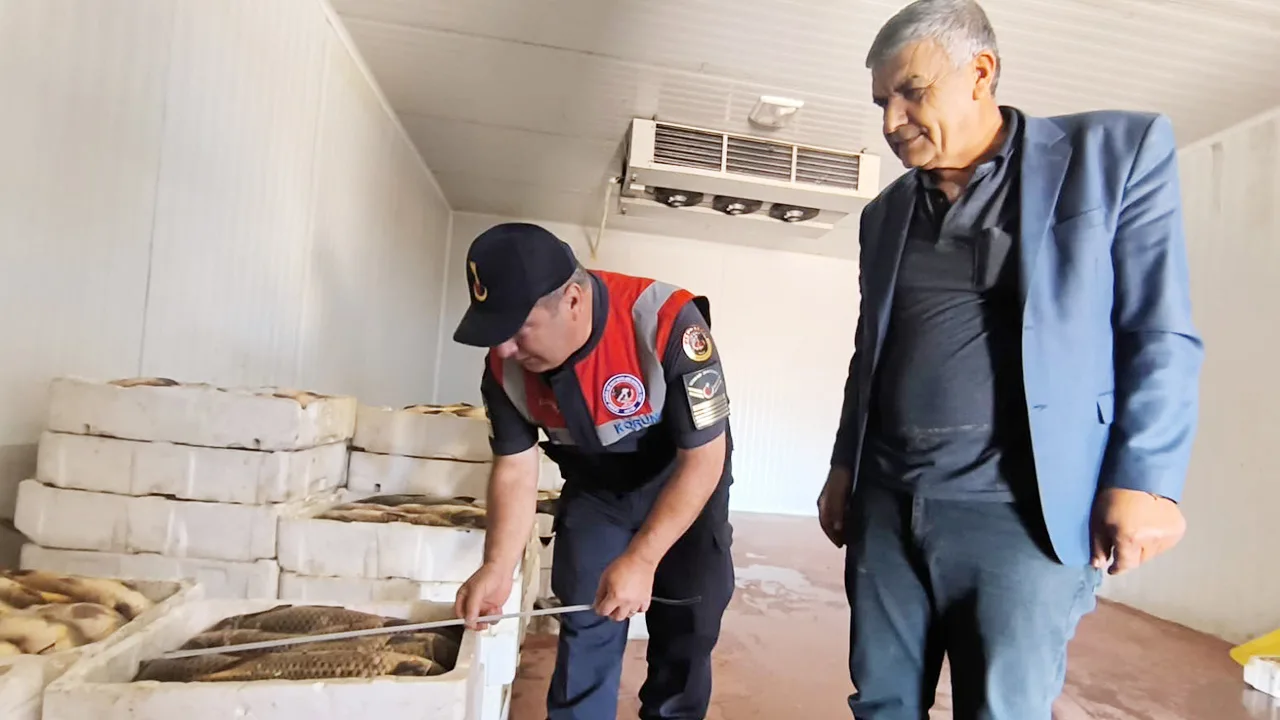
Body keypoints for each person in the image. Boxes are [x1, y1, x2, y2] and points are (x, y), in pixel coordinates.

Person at [815, 1, 1204, 718]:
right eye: (881, 101)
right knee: (880, 704)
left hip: (1019, 515)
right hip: (889, 505)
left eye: (911, 92)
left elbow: (1156, 329)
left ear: (980, 73)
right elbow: (870, 349)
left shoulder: (1113, 155)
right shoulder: (886, 214)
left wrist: (1149, 478)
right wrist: (845, 468)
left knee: (1000, 710)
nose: (890, 121)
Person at [450, 222, 735, 720]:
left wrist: (644, 559)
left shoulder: (666, 322)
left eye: (518, 331)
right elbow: (516, 469)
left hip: (683, 482)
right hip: (597, 492)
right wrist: (498, 565)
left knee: (687, 628)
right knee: (587, 621)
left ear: (574, 301)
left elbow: (705, 457)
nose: (504, 351)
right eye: (496, 335)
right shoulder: (504, 367)